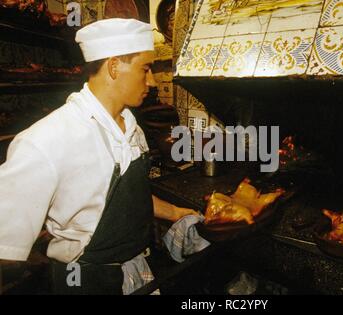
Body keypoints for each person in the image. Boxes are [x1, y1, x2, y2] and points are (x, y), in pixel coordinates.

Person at [0, 18, 197, 294]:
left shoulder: (131, 126)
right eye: (146, 68)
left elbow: (124, 197)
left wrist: (175, 212)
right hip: (84, 280)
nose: (152, 81)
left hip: (135, 269)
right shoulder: (46, 141)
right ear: (115, 66)